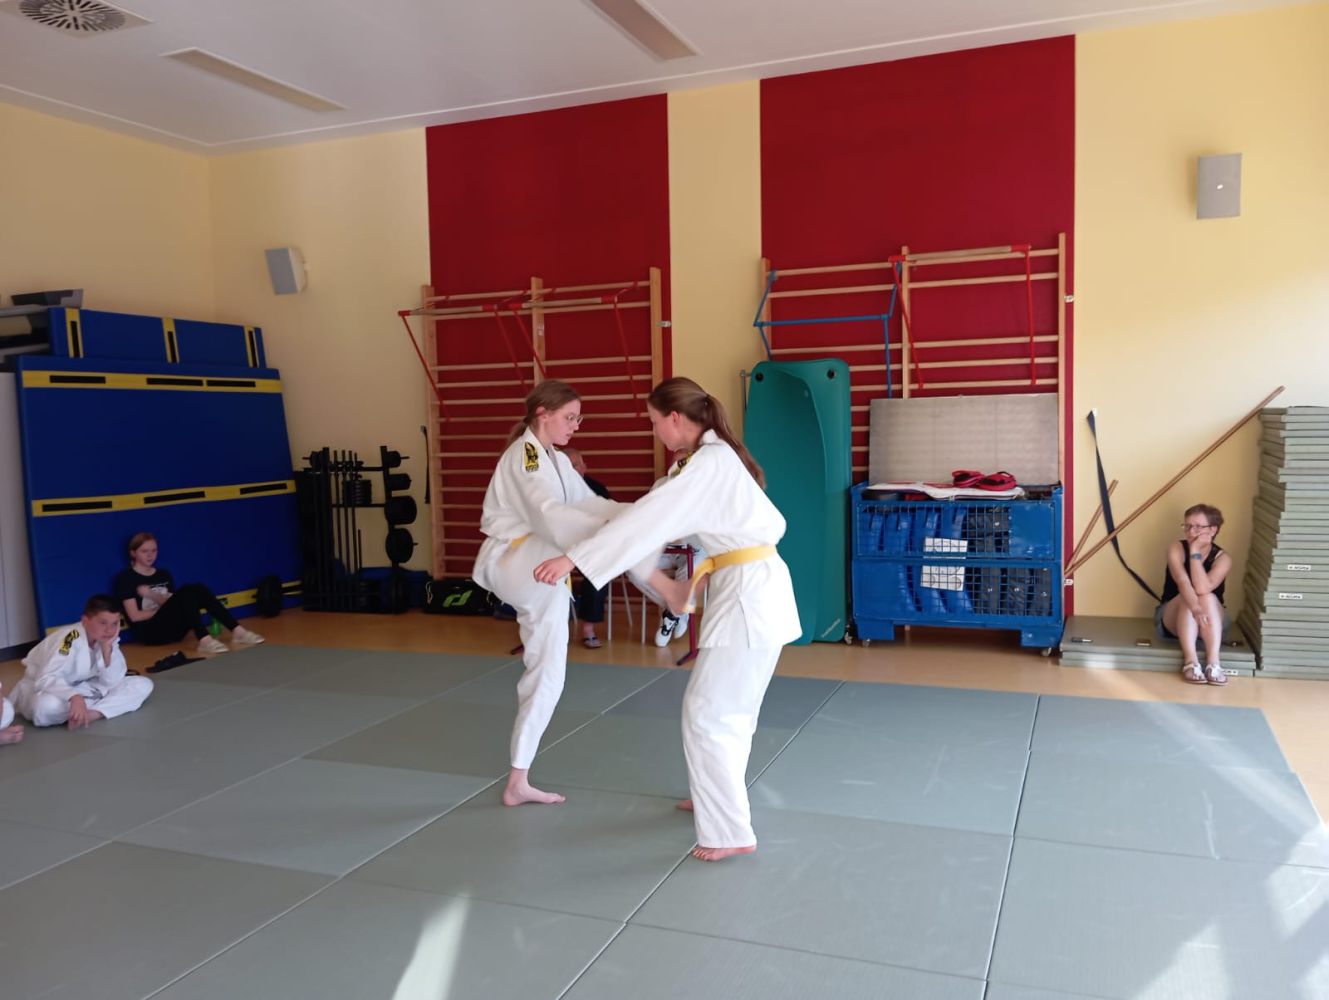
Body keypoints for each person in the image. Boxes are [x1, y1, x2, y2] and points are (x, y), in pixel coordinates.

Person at [534, 377, 801, 861]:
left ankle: (729, 832)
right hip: (748, 589)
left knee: (710, 712)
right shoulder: (704, 461)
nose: (655, 431)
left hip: (749, 596)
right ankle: (714, 797)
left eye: (655, 422)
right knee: (729, 709)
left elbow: (646, 520)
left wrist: (575, 559)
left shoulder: (709, 463)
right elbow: (644, 514)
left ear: (675, 418)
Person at [472, 380, 620, 806]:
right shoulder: (528, 455)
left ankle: (518, 780)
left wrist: (639, 516)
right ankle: (667, 587)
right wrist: (621, 536)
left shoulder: (552, 456)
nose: (576, 425)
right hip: (519, 559)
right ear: (543, 414)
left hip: (532, 563)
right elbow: (551, 514)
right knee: (548, 671)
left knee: (548, 672)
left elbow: (590, 503)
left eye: (578, 418)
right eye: (569, 417)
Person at [11, 594, 154, 728]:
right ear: (85, 621)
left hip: (85, 688)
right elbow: (45, 678)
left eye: (115, 623)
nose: (109, 630)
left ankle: (92, 714)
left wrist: (107, 650)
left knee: (142, 684)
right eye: (103, 623)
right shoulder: (68, 638)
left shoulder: (107, 640)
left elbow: (112, 681)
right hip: (49, 691)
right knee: (44, 707)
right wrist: (74, 696)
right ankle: (90, 708)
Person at [113, 532, 265, 654]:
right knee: (187, 591)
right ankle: (204, 640)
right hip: (151, 633)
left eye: (154, 551)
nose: (150, 555)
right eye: (144, 551)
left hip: (174, 631)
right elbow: (135, 616)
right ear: (133, 553)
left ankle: (238, 631)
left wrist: (152, 595)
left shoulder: (163, 574)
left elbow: (171, 603)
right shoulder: (126, 578)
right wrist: (167, 606)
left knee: (197, 588)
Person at [1157, 503, 1232, 686]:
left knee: (1207, 596)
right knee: (1188, 596)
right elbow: (1184, 582)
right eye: (1188, 526)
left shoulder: (1223, 558)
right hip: (1174, 616)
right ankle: (1191, 662)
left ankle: (1214, 664)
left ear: (1213, 529)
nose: (1191, 532)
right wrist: (1195, 608)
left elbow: (1202, 587)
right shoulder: (1176, 548)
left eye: (1198, 527)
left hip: (1210, 620)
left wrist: (1195, 552)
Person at [560, 446, 612, 649]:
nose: (576, 470)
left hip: (589, 547)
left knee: (598, 570)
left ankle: (588, 628)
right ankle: (548, 627)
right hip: (560, 547)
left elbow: (609, 521)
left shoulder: (597, 489)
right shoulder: (553, 490)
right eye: (570, 466)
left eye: (578, 465)